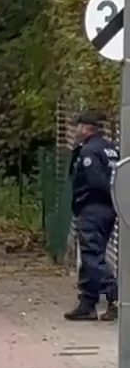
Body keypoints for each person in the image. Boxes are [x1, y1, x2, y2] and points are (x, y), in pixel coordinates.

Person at [67, 110, 119, 322]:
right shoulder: (110, 149)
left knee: (92, 255)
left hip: (93, 208)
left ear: (87, 128)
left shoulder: (89, 151)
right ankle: (87, 304)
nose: (75, 130)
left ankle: (114, 294)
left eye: (78, 126)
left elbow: (97, 182)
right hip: (108, 209)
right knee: (91, 255)